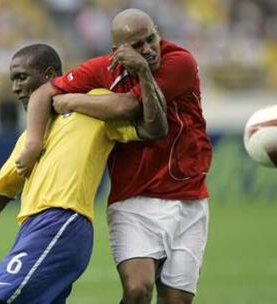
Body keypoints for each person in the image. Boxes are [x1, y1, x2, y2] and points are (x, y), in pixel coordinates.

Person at [0, 43, 167, 304]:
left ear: (48, 75)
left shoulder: (91, 107)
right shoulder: (27, 139)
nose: (15, 87)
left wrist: (142, 75)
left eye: (21, 77)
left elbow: (148, 122)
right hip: (32, 231)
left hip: (61, 222)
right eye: (12, 80)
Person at [17, 8, 212, 304]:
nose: (148, 50)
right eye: (137, 46)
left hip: (188, 196)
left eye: (151, 39)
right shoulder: (103, 69)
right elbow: (42, 93)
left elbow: (129, 107)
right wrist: (32, 143)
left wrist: (70, 99)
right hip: (133, 196)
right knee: (137, 289)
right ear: (117, 51)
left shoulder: (180, 62)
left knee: (176, 301)